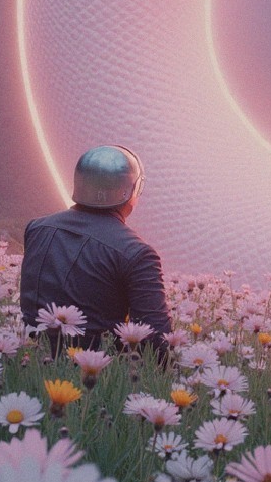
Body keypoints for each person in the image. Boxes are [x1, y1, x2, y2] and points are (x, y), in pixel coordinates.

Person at [19, 145, 173, 359]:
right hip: (95, 373)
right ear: (131, 191)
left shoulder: (37, 229)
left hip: (28, 359)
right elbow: (157, 340)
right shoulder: (138, 253)